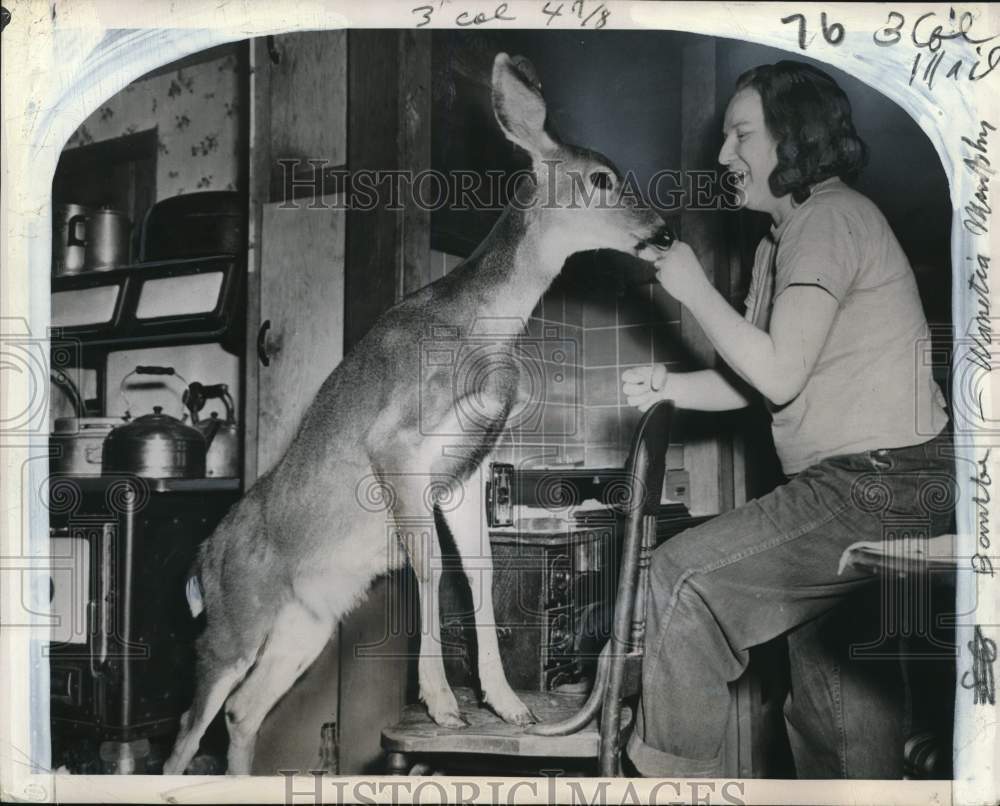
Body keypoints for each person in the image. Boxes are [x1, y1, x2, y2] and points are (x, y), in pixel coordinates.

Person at [621, 61, 954, 778]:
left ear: (793, 140)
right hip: (877, 486)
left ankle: (668, 787)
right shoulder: (782, 239)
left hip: (877, 483)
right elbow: (760, 382)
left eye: (741, 134)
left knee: (684, 579)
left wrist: (693, 289)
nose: (722, 156)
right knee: (838, 710)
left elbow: (776, 371)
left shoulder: (829, 217)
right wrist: (666, 384)